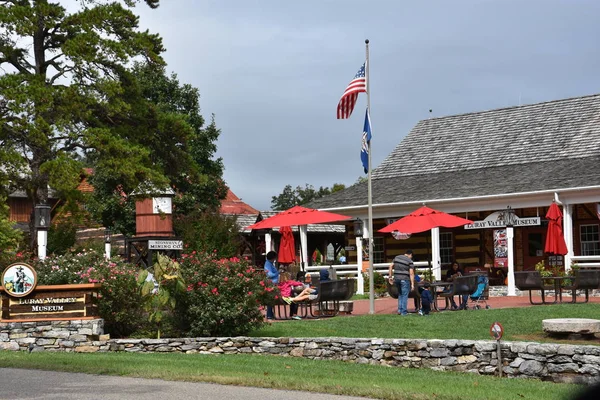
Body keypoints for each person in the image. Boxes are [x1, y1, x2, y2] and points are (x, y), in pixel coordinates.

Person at [388, 250, 415, 316]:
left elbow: (390, 266)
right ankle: (404, 312)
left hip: (396, 279)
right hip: (405, 279)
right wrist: (412, 284)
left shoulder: (397, 257)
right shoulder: (410, 261)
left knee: (400, 294)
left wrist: (390, 277)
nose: (411, 257)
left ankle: (399, 310)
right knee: (405, 295)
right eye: (411, 256)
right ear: (410, 255)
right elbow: (411, 273)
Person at [263, 251, 279, 320]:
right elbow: (269, 275)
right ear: (272, 258)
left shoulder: (271, 264)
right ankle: (269, 315)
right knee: (270, 299)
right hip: (271, 284)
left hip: (274, 283)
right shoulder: (267, 264)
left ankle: (271, 314)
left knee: (272, 299)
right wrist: (277, 273)